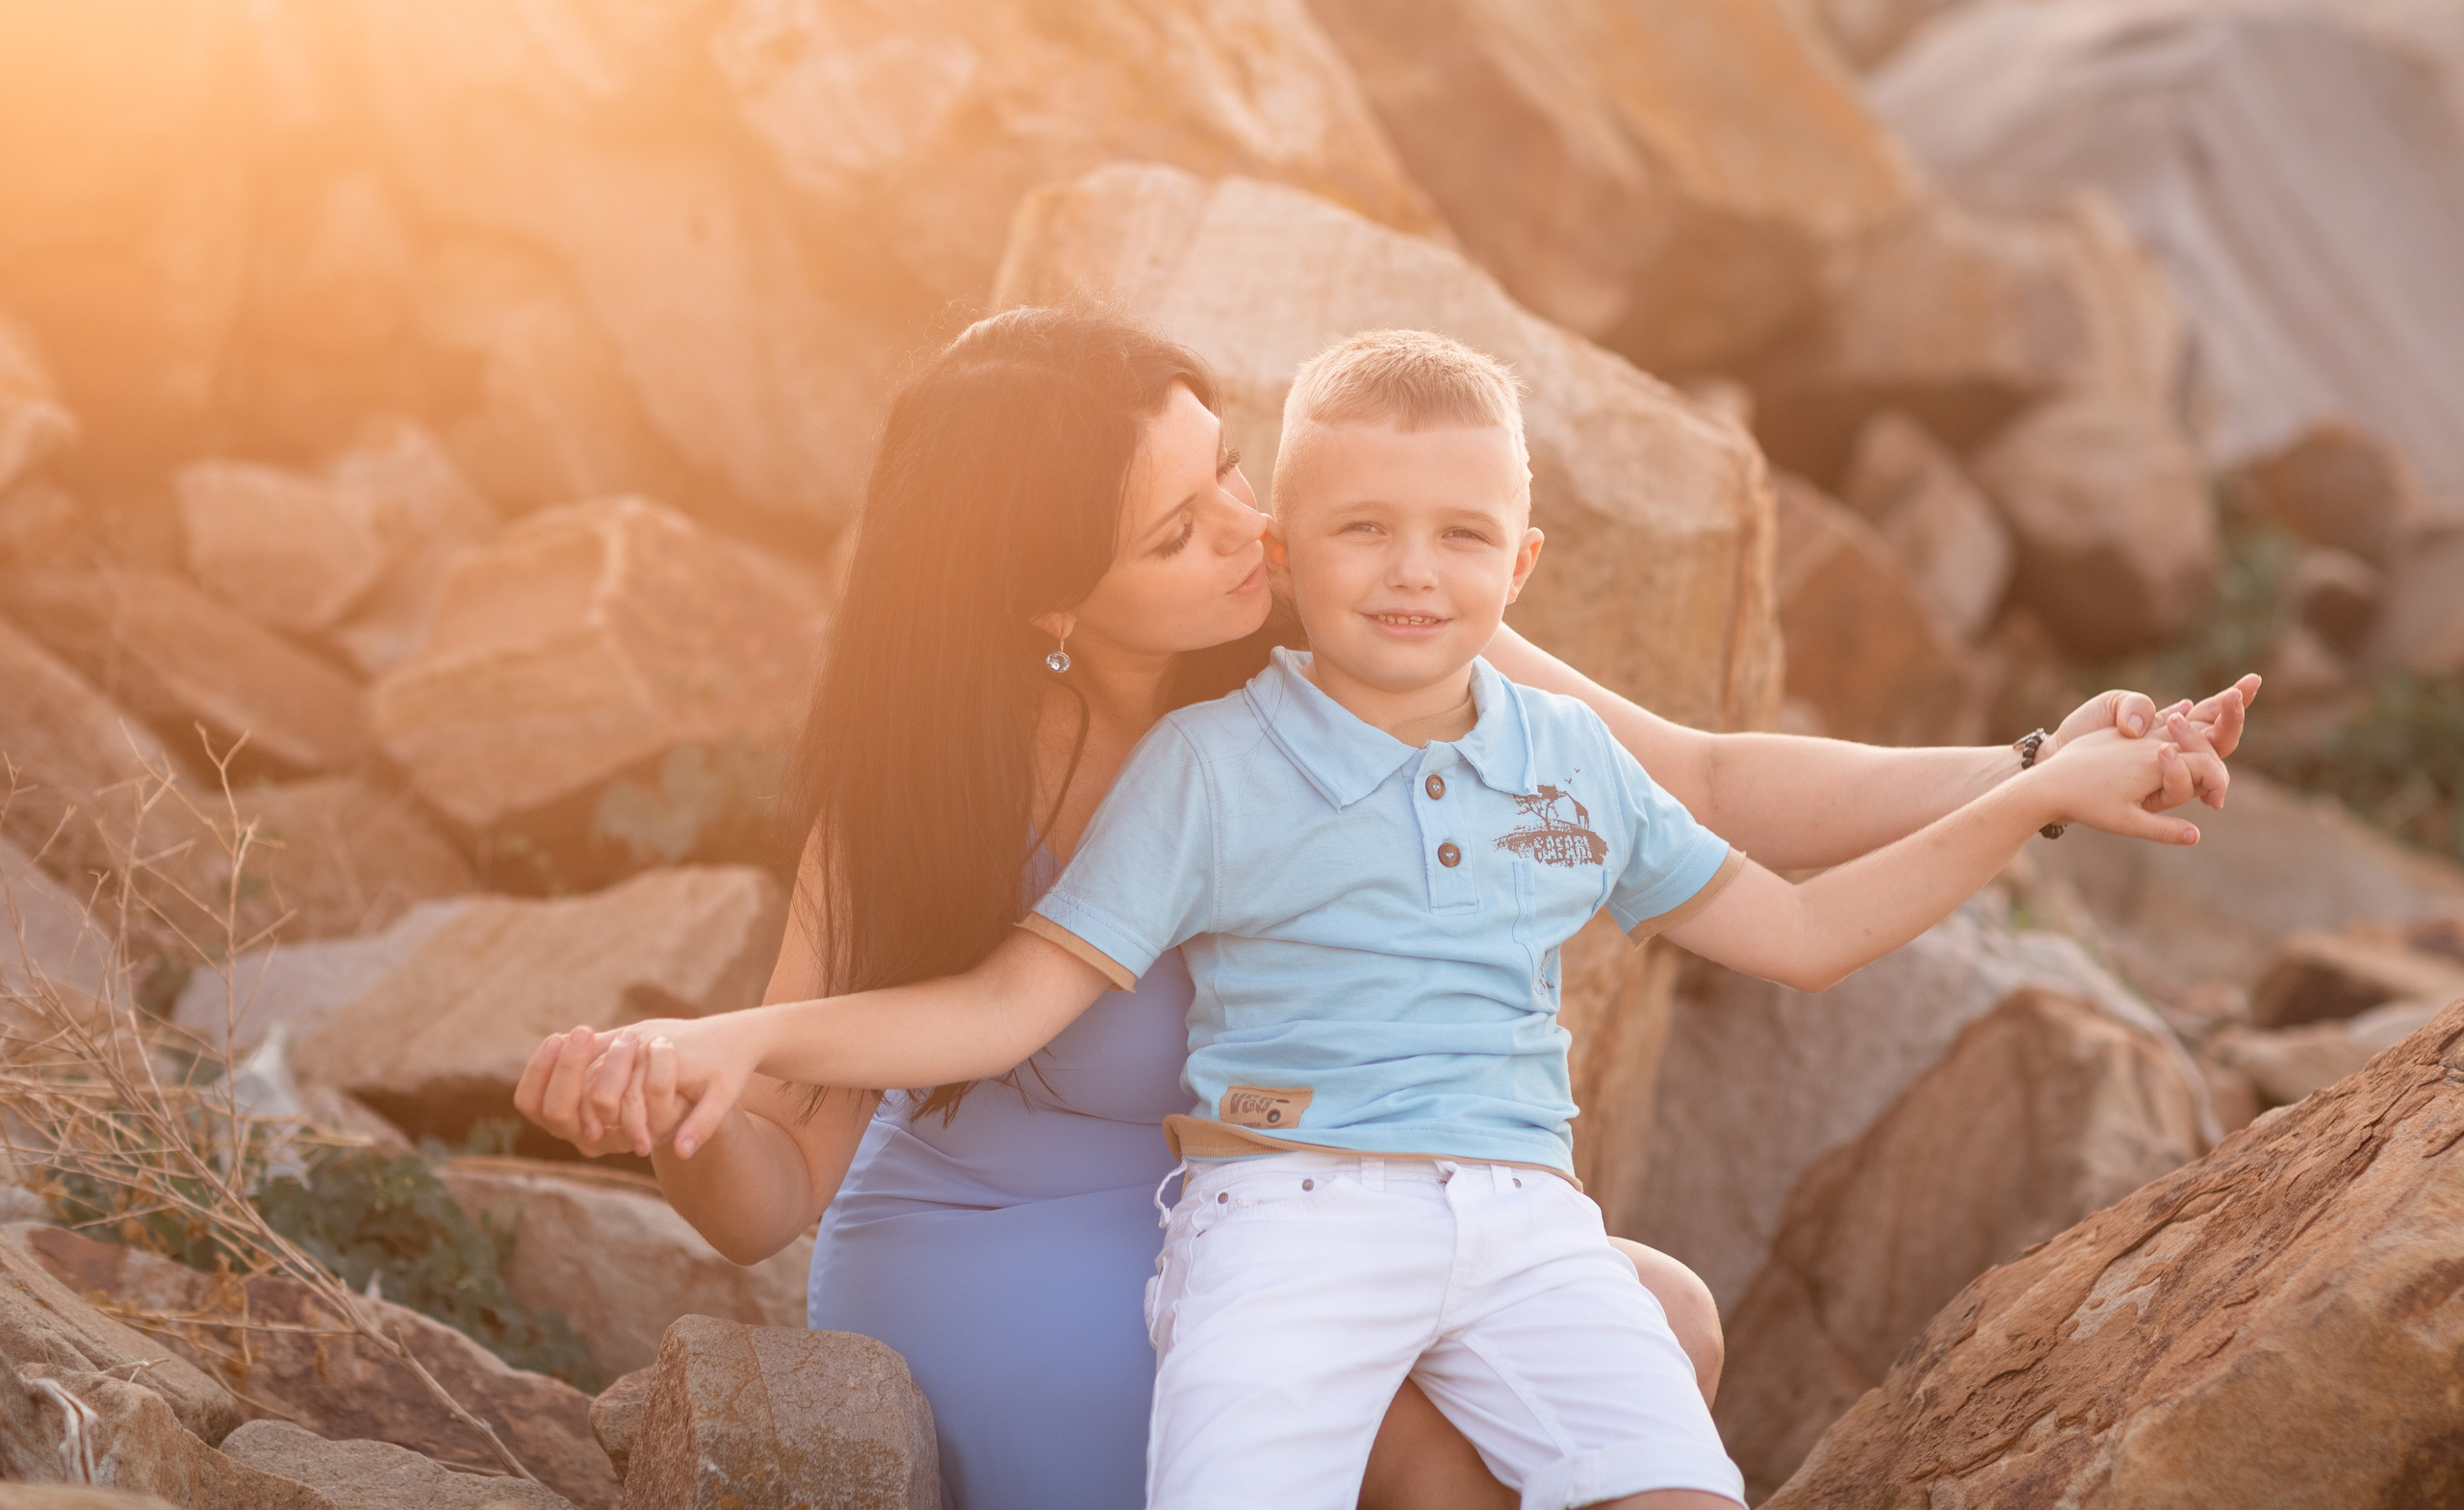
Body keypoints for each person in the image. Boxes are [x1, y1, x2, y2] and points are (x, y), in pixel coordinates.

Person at [515, 307, 2253, 1510]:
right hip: (1016, 1252)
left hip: (1307, 1199)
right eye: (1184, 523)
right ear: (1051, 590)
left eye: (1230, 472)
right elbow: (771, 1198)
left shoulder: (1352, 607)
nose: (1254, 532)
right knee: (1435, 1456)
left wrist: (2038, 762)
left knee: (1659, 1320)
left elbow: (1698, 785)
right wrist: (682, 1102)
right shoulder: (934, 773)